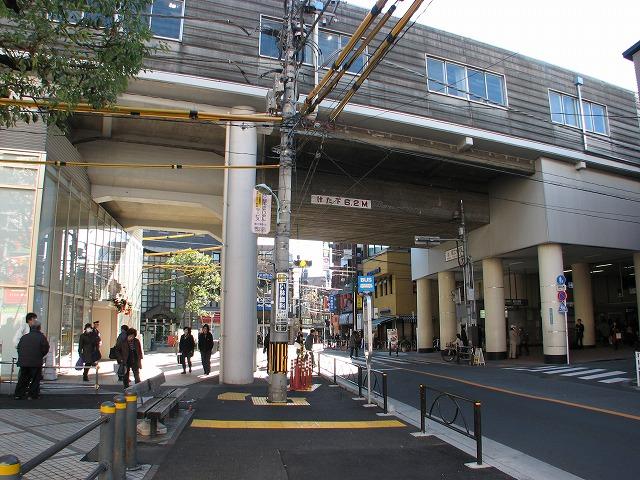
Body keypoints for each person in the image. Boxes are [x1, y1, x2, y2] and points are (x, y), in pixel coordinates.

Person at [14, 320, 49, 400]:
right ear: (39, 328)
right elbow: (45, 348)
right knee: (35, 379)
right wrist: (40, 355)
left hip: (24, 361)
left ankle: (19, 394)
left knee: (23, 378)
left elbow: (19, 348)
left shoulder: (24, 337)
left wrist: (22, 356)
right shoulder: (41, 337)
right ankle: (32, 395)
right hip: (35, 361)